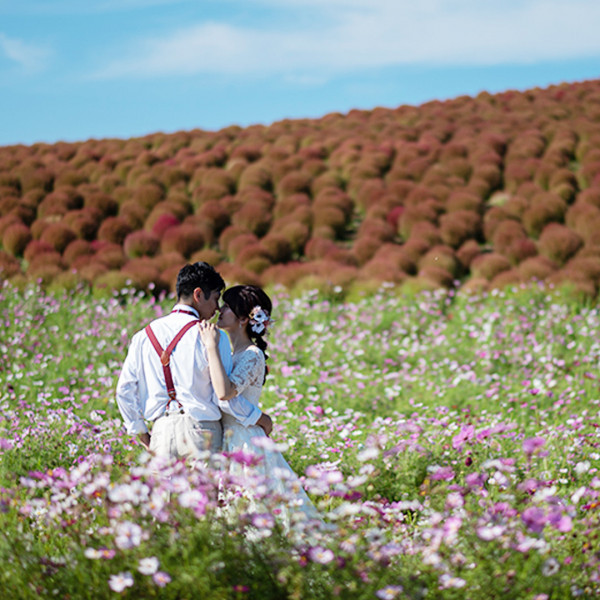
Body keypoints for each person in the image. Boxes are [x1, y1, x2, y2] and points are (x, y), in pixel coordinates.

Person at [115, 262, 273, 460]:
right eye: (216, 299)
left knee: (164, 492)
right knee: (203, 490)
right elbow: (223, 396)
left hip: (160, 433)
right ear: (198, 295)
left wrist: (143, 435)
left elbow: (124, 390)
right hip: (203, 432)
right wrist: (262, 420)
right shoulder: (213, 336)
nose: (217, 309)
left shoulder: (143, 336)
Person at [198, 284, 320, 522]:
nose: (220, 311)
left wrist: (211, 347)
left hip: (245, 441)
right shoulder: (234, 355)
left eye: (228, 307)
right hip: (232, 437)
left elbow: (225, 396)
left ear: (244, 318)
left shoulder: (252, 355)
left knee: (253, 509)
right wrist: (260, 417)